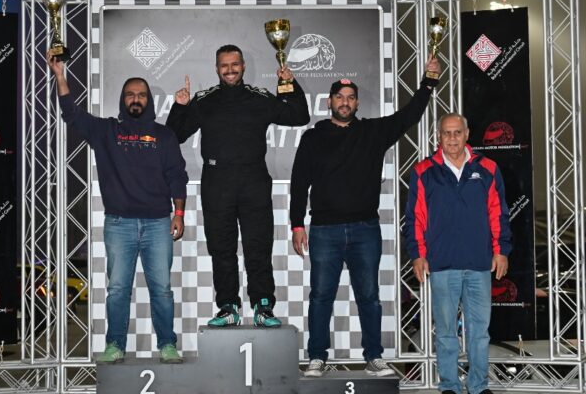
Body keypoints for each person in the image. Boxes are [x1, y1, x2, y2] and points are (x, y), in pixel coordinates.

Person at [290, 56, 441, 377]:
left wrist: (428, 82)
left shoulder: (374, 132)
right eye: (339, 97)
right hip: (324, 231)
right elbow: (299, 183)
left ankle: (374, 357)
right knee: (320, 297)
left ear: (357, 103)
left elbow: (409, 115)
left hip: (365, 230)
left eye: (350, 98)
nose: (344, 102)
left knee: (369, 297)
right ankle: (317, 357)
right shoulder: (313, 137)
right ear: (329, 101)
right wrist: (296, 224)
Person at [47, 50, 188, 364]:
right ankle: (115, 345)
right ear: (123, 100)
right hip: (119, 224)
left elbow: (177, 176)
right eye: (130, 95)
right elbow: (72, 114)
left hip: (158, 224)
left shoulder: (164, 135)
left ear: (149, 100)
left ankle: (167, 344)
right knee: (118, 290)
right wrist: (60, 76)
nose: (135, 99)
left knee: (162, 290)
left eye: (141, 94)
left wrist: (179, 213)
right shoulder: (106, 131)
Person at [167, 44, 309, 327]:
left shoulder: (259, 98)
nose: (230, 70)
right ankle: (228, 306)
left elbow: (299, 116)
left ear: (243, 66)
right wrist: (179, 107)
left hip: (254, 181)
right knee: (221, 249)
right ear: (216, 68)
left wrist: (290, 85)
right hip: (216, 182)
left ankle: (263, 306)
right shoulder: (204, 101)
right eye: (224, 65)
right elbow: (174, 136)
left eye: (235, 64)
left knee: (258, 246)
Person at [403, 113, 512, 394]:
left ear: (467, 134)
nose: (452, 138)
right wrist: (417, 254)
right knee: (446, 332)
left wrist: (501, 251)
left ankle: (478, 386)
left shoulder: (487, 168)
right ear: (438, 136)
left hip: (479, 264)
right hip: (442, 264)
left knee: (479, 332)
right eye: (446, 133)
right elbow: (415, 218)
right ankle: (449, 385)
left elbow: (498, 213)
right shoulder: (423, 171)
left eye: (457, 132)